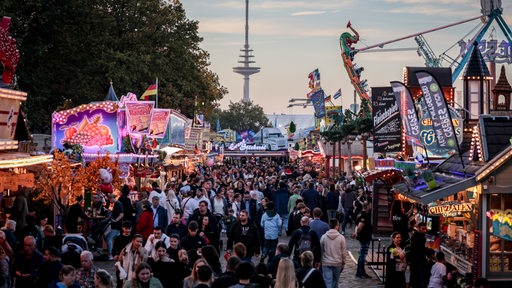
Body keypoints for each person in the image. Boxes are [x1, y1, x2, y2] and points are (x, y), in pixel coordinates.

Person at [320, 219, 346, 288]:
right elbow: (343, 252)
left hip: (326, 262)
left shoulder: (324, 237)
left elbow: (321, 251)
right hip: (337, 262)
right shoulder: (341, 238)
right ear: (337, 226)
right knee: (335, 282)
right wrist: (343, 262)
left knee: (327, 282)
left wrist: (321, 260)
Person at [352, 199, 373, 279]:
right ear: (367, 206)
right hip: (364, 236)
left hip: (363, 236)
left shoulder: (360, 213)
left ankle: (359, 272)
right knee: (363, 255)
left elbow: (356, 225)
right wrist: (357, 233)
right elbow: (360, 226)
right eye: (370, 205)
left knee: (362, 254)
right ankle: (361, 272)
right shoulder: (364, 214)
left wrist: (356, 233)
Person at [409, 222, 428, 288]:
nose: (425, 230)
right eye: (423, 229)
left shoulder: (416, 236)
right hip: (419, 263)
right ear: (418, 228)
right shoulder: (420, 238)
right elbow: (420, 251)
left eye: (425, 229)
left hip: (415, 263)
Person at [106, 193, 124, 260]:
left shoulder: (117, 204)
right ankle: (117, 253)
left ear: (111, 198)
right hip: (117, 224)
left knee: (108, 238)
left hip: (116, 225)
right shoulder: (116, 204)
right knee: (117, 239)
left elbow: (121, 214)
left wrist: (115, 220)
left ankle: (110, 254)